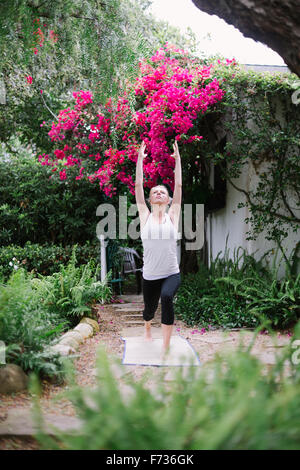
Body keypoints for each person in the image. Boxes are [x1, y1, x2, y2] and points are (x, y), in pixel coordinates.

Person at [135, 140, 182, 356]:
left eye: (163, 192)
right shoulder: (145, 215)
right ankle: (147, 327)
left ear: (169, 199)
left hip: (171, 272)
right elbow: (137, 187)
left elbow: (179, 187)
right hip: (150, 274)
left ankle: (165, 345)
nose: (159, 194)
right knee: (149, 309)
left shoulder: (173, 215)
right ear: (150, 199)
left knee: (167, 297)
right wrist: (140, 160)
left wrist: (178, 161)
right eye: (155, 192)